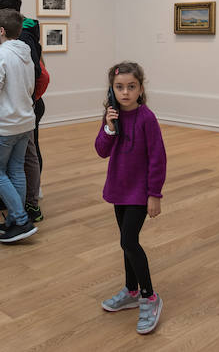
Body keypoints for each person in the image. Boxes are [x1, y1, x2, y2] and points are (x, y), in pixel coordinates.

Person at [95, 61, 166, 335]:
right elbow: (101, 151)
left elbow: (158, 159)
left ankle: (149, 296)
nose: (125, 92)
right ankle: (131, 290)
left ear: (140, 88)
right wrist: (109, 127)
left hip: (139, 192)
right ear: (112, 89)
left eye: (131, 87)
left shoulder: (147, 118)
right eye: (119, 87)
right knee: (126, 243)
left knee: (129, 240)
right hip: (118, 189)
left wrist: (154, 195)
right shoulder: (111, 116)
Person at [0, 0, 48, 223]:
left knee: (20, 161)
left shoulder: (20, 41)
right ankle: (16, 203)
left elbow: (34, 74)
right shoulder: (22, 42)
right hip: (24, 110)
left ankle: (28, 208)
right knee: (16, 165)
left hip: (18, 111)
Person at [0, 9, 38, 243]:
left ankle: (21, 219)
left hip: (5, 123)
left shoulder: (0, 55)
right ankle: (14, 221)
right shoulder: (26, 52)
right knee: (16, 170)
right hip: (25, 121)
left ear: (3, 30)